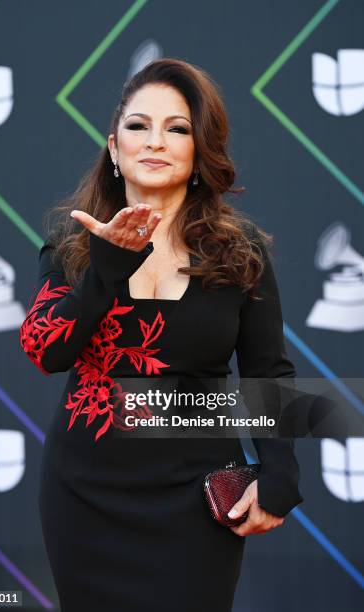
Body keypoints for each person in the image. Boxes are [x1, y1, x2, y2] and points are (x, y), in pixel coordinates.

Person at [19, 58, 303, 612]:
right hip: (84, 496)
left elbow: (268, 372)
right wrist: (106, 269)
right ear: (113, 145)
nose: (155, 141)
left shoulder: (238, 253)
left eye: (176, 129)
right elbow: (45, 350)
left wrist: (280, 473)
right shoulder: (73, 246)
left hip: (195, 499)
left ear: (199, 152)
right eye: (138, 126)